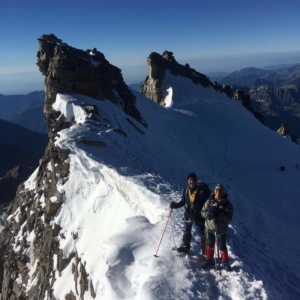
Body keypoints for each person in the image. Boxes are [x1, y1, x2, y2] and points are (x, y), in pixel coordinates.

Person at [170, 172, 211, 257]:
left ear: (196, 180)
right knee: (187, 230)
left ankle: (205, 253)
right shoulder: (186, 190)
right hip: (188, 213)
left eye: (193, 180)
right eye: (190, 180)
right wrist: (175, 205)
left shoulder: (201, 191)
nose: (191, 182)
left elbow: (205, 203)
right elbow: (183, 202)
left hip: (199, 214)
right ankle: (186, 246)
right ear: (187, 181)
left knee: (202, 233)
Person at [201, 184, 234, 271]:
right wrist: (209, 214)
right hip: (210, 228)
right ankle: (209, 259)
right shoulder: (209, 200)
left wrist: (221, 213)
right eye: (217, 190)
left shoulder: (227, 204)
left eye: (220, 190)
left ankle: (225, 262)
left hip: (221, 229)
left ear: (223, 192)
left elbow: (229, 218)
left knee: (222, 245)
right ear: (214, 191)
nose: (218, 192)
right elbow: (203, 212)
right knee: (210, 244)